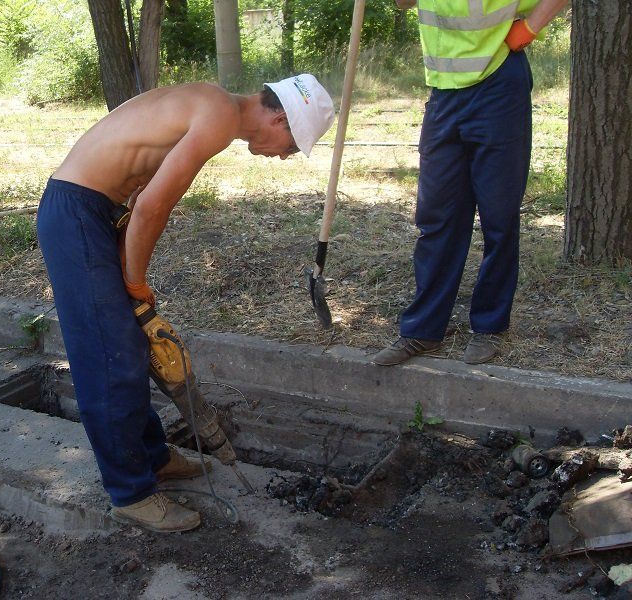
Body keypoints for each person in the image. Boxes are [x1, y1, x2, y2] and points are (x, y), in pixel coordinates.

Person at [37, 75, 334, 532]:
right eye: (291, 147)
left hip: (95, 211)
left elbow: (140, 200)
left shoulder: (212, 106)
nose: (283, 158)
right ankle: (130, 494)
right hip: (78, 213)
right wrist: (136, 286)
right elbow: (154, 207)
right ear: (279, 119)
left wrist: (131, 276)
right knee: (109, 356)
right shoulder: (217, 116)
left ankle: (152, 457)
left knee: (131, 346)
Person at [373, 0, 570, 367]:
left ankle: (490, 327)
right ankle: (422, 330)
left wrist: (528, 29)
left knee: (498, 215)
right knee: (437, 217)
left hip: (497, 89)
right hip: (444, 96)